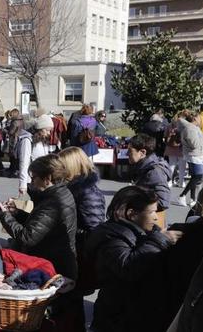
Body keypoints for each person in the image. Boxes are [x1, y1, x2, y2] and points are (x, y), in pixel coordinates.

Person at [85, 186, 183, 332]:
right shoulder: (111, 237)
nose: (156, 217)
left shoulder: (142, 232)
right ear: (132, 214)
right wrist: (159, 241)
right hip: (116, 318)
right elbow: (128, 267)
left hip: (131, 314)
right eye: (151, 212)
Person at [0, 154, 77, 280]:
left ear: (47, 178)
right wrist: (16, 213)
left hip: (54, 267)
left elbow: (27, 237)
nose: (32, 182)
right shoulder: (58, 193)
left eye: (34, 177)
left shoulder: (54, 202)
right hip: (56, 262)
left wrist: (5, 216)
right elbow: (39, 223)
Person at [58, 147, 106, 234]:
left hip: (79, 245)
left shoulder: (89, 193)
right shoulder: (72, 188)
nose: (59, 171)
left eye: (62, 167)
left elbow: (95, 229)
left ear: (72, 167)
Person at [127, 134, 172, 213]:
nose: (127, 154)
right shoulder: (144, 167)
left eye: (130, 151)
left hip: (149, 221)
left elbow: (163, 202)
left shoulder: (154, 171)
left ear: (142, 152)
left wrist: (137, 204)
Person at [15, 114, 53, 195]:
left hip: (42, 181)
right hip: (32, 181)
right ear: (40, 128)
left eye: (50, 130)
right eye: (47, 130)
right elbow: (24, 163)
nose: (49, 133)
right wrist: (23, 185)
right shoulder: (27, 141)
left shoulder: (43, 141)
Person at [176, 110, 203, 207]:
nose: (200, 120)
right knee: (198, 176)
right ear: (194, 118)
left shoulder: (192, 128)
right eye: (199, 118)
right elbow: (195, 144)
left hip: (195, 155)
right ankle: (182, 195)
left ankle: (193, 199)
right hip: (194, 155)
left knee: (195, 176)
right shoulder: (190, 129)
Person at [164, 114, 186, 188]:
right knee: (182, 167)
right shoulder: (183, 126)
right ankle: (181, 182)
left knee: (171, 166)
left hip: (171, 148)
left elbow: (165, 136)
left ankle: (169, 182)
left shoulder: (170, 126)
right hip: (181, 148)